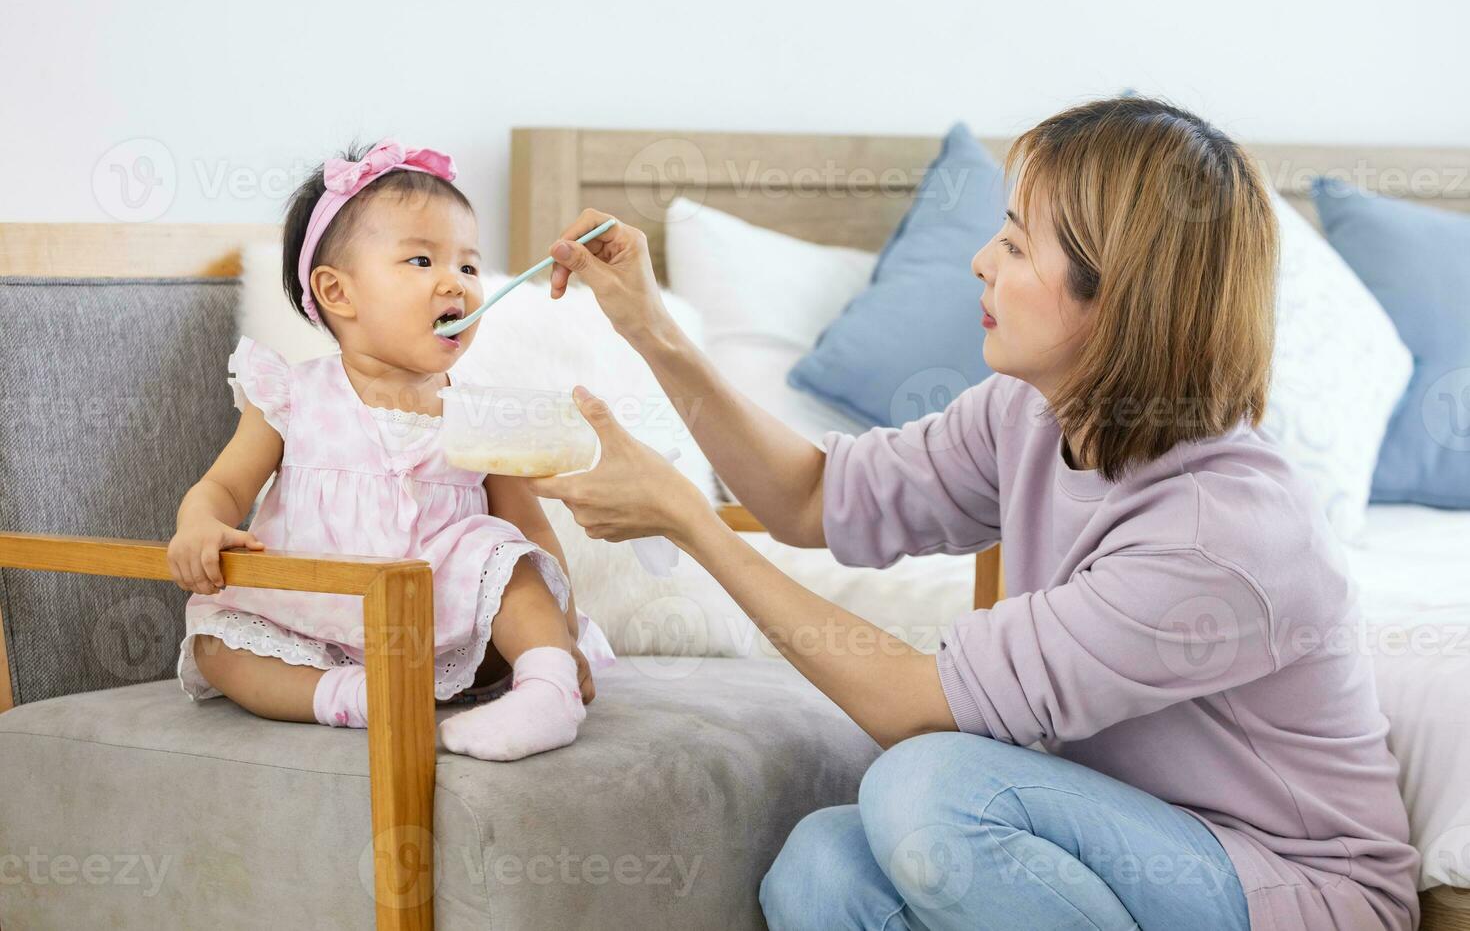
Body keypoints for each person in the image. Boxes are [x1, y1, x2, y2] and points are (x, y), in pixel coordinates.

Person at [529, 97, 1420, 928]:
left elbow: (922, 713)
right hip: (1121, 841)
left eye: (1018, 244)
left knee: (935, 791)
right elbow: (809, 497)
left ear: (1119, 296)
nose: (982, 261)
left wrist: (694, 522)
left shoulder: (1222, 534)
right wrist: (650, 328)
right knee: (821, 866)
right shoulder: (1030, 415)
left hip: (1290, 889)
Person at [167, 138, 611, 762]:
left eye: (468, 265)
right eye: (422, 261)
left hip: (443, 628)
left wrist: (562, 638)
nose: (454, 283)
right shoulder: (291, 394)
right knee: (219, 644)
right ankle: (355, 696)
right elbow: (225, 488)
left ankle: (548, 692)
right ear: (337, 293)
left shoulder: (480, 413)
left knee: (511, 561)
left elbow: (529, 530)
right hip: (309, 616)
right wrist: (198, 523)